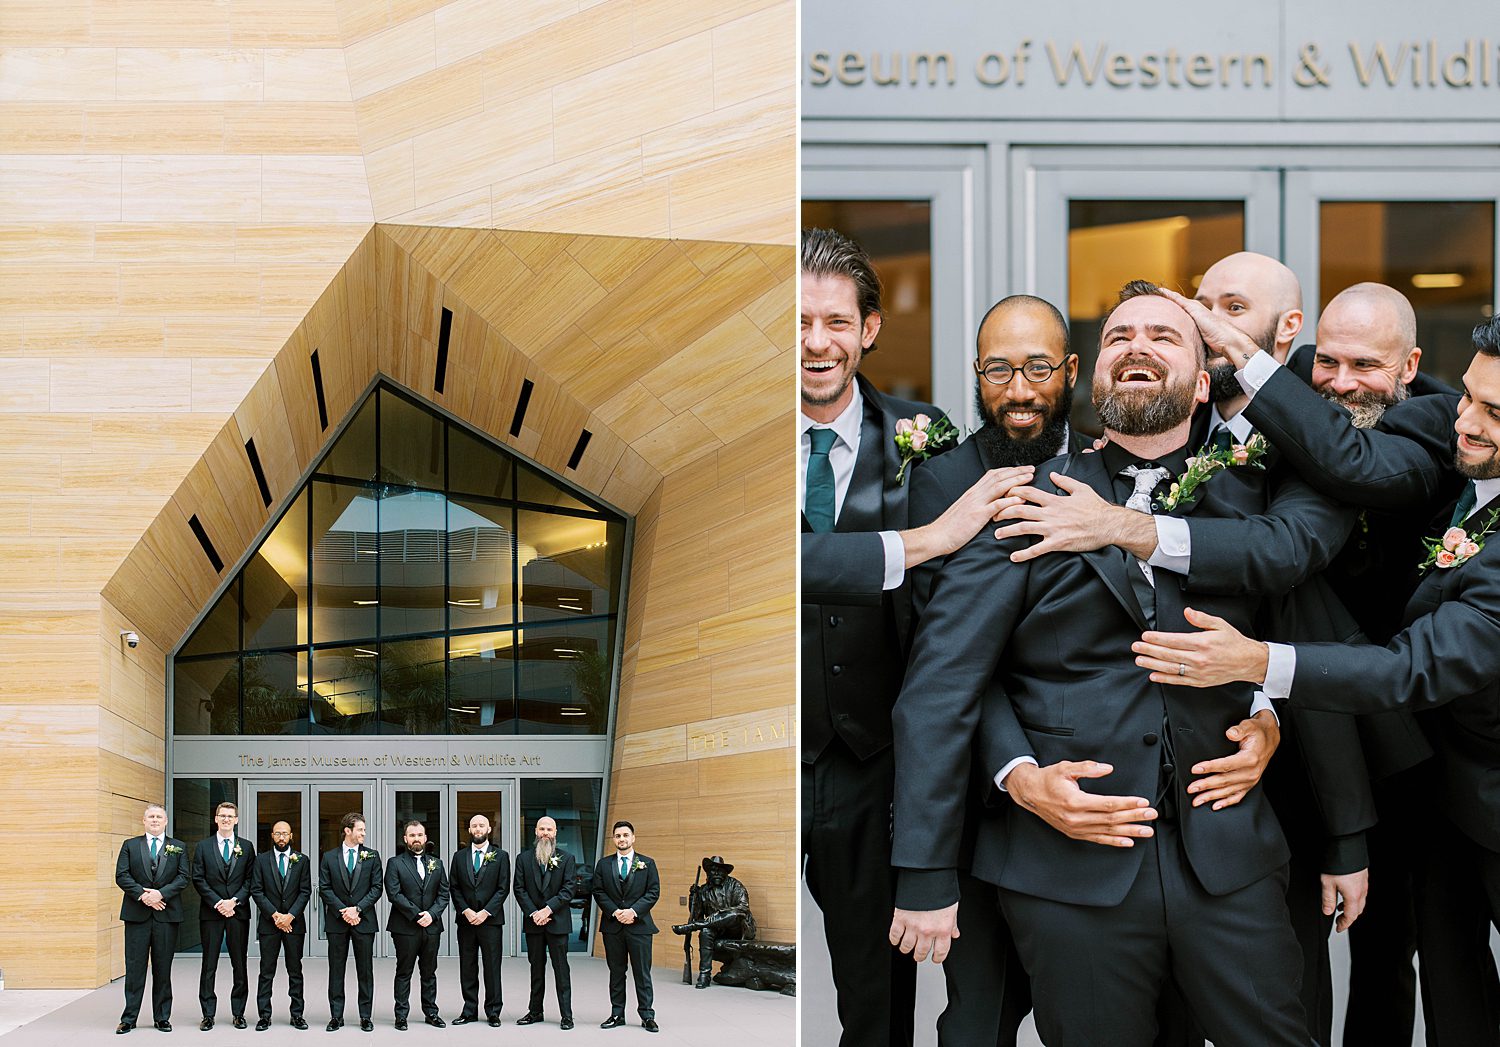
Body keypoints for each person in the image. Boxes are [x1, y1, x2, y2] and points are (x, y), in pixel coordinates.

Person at [890, 285, 1353, 1046]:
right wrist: (1016, 779)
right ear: (1093, 375)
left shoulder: (1256, 498)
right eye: (1118, 337)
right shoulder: (1019, 500)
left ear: (1204, 381)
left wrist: (1267, 713)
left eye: (1164, 337)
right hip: (1069, 868)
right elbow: (945, 682)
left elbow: (1289, 633)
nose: (1137, 345)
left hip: (1229, 861)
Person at [1138, 304, 1500, 1045]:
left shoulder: (1421, 429)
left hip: (1470, 760)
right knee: (1448, 969)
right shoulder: (1438, 420)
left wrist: (1258, 661)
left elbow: (1413, 662)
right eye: (1468, 394)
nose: (1464, 419)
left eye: (1494, 411)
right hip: (1423, 763)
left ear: (1405, 365)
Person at [800, 227, 1029, 1047]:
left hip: (872, 760)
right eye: (796, 322)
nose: (815, 342)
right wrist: (925, 539)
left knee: (875, 993)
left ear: (868, 329)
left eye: (834, 321)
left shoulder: (921, 433)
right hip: (773, 748)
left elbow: (958, 609)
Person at [116, 802, 189, 1035]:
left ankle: (162, 1017)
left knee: (162, 968)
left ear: (166, 821)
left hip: (166, 916)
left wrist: (160, 894)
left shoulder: (178, 846)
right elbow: (122, 875)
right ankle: (129, 1018)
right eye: (151, 817)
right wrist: (143, 896)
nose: (155, 820)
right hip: (137, 916)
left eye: (159, 816)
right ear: (144, 821)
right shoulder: (130, 845)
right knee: (135, 968)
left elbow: (183, 877)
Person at [190, 801, 255, 1030]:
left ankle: (239, 1013)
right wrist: (218, 902)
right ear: (216, 819)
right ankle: (208, 1014)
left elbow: (250, 880)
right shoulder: (203, 846)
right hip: (211, 913)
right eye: (222, 815)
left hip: (238, 913)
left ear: (236, 820)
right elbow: (198, 878)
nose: (226, 819)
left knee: (240, 964)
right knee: (209, 964)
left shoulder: (246, 847)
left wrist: (234, 901)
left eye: (230, 816)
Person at [593, 821, 660, 1033]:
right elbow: (598, 891)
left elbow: (653, 892)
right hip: (613, 926)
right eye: (618, 836)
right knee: (616, 972)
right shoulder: (603, 864)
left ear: (633, 838)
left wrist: (633, 912)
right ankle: (617, 1014)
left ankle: (647, 1015)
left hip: (639, 926)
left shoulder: (648, 863)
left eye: (625, 835)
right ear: (613, 839)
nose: (622, 839)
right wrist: (615, 912)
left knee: (642, 972)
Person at [319, 812, 381, 1033]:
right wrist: (342, 911)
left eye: (364, 830)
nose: (364, 833)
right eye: (360, 829)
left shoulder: (372, 856)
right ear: (347, 830)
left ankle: (365, 1016)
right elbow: (324, 888)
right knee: (336, 969)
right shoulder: (328, 857)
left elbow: (377, 888)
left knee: (365, 970)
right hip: (337, 922)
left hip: (364, 921)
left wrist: (357, 909)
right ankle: (336, 1016)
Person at [514, 815, 577, 1030]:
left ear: (556, 832)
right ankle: (535, 1012)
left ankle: (566, 1015)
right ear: (535, 831)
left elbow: (568, 890)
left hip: (557, 922)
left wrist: (548, 909)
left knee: (561, 970)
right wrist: (534, 913)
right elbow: (519, 889)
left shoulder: (567, 858)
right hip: (534, 924)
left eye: (549, 829)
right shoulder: (523, 859)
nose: (545, 833)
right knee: (536, 970)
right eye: (542, 829)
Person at [384, 820, 448, 1030]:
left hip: (431, 927)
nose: (416, 838)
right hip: (405, 927)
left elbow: (443, 893)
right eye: (412, 835)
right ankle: (401, 1015)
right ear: (405, 839)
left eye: (420, 834)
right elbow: (394, 893)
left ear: (426, 837)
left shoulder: (436, 863)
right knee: (404, 971)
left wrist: (431, 914)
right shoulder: (395, 863)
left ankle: (431, 1012)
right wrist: (416, 914)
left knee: (429, 972)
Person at [248, 820, 310, 1031]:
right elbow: (256, 890)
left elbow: (305, 891)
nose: (281, 837)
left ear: (291, 835)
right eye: (277, 834)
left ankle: (297, 1015)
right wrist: (275, 915)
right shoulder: (261, 860)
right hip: (269, 924)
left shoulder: (302, 860)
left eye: (285, 833)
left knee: (295, 970)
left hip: (294, 925)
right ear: (272, 836)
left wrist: (290, 916)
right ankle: (264, 1015)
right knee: (266, 971)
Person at [449, 812, 508, 1027]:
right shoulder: (459, 856)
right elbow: (453, 887)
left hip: (490, 922)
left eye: (481, 825)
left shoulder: (501, 856)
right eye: (474, 825)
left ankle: (493, 1011)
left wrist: (484, 912)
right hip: (466, 921)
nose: (477, 829)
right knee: (468, 966)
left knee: (492, 966)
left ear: (489, 829)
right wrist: (465, 910)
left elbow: (503, 889)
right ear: (470, 829)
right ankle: (469, 1010)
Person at [673, 856, 755, 989]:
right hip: (717, 929)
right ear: (708, 873)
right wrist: (693, 899)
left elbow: (743, 908)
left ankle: (692, 928)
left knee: (735, 913)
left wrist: (720, 914)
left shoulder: (735, 885)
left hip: (737, 929)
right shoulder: (704, 890)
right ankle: (704, 975)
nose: (716, 873)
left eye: (720, 870)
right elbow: (697, 915)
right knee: (705, 931)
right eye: (713, 870)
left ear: (725, 872)